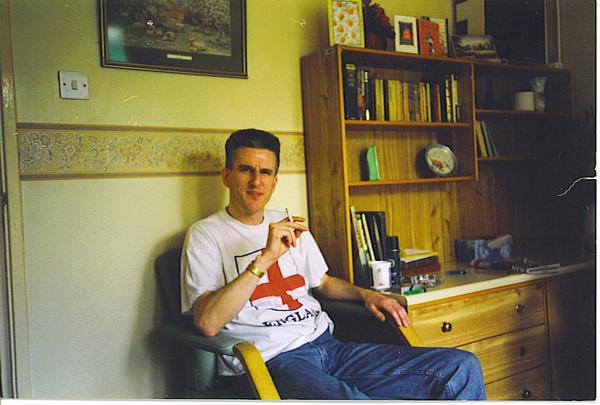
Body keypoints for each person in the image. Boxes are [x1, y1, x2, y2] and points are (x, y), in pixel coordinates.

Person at [181, 128, 486, 400]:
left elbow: (323, 283)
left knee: (460, 367)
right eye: (246, 169)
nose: (256, 181)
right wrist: (265, 258)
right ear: (226, 176)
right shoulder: (205, 235)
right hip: (270, 361)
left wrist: (368, 294)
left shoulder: (286, 222)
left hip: (328, 346)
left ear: (274, 182)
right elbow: (207, 323)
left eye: (265, 172)